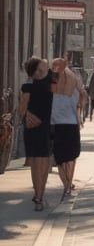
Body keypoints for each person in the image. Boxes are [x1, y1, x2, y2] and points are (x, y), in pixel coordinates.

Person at [18, 57, 53, 211]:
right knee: (38, 162)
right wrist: (27, 115)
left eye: (45, 67)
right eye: (41, 68)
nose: (44, 70)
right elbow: (21, 110)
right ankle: (38, 195)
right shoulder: (28, 86)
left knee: (43, 162)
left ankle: (40, 194)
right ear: (35, 71)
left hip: (47, 126)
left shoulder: (52, 82)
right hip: (35, 127)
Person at [50, 58, 87, 197]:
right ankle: (67, 184)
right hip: (71, 122)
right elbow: (83, 95)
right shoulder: (75, 80)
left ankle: (66, 184)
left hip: (56, 123)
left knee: (60, 157)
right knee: (70, 156)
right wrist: (79, 110)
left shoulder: (51, 81)